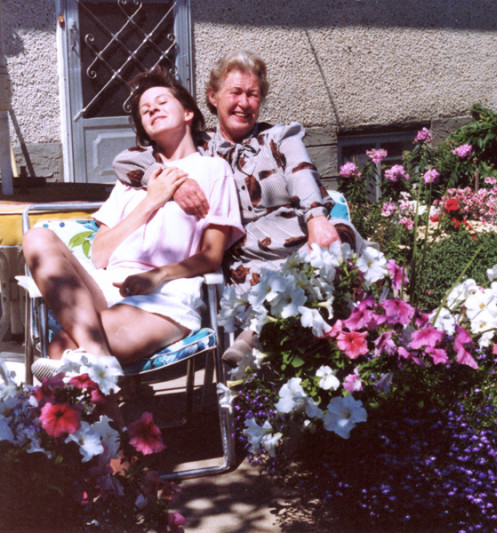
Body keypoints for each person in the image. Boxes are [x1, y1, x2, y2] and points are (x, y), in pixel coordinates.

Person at [112, 51, 365, 363]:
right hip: (247, 257)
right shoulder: (199, 146)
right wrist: (170, 182)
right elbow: (124, 160)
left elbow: (302, 174)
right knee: (297, 277)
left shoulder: (279, 137)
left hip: (300, 239)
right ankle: (267, 325)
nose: (244, 103)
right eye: (235, 93)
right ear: (213, 97)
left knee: (340, 239)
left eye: (252, 94)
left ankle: (260, 329)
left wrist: (316, 219)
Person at [23, 68, 244, 377]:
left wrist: (156, 276)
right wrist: (152, 199)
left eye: (162, 101)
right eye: (145, 109)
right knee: (36, 237)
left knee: (64, 348)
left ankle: (113, 407)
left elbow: (212, 255)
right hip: (105, 290)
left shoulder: (212, 170)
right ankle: (104, 372)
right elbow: (100, 254)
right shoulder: (133, 179)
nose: (152, 108)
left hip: (164, 294)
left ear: (188, 113)